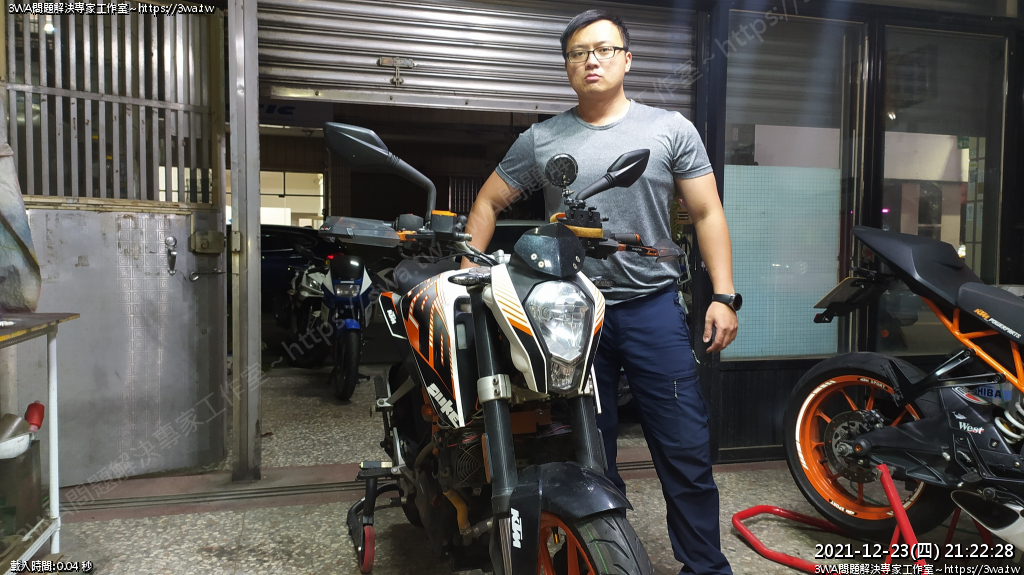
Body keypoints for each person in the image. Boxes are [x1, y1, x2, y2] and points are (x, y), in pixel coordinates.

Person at [461, 9, 740, 575]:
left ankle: (705, 567)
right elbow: (488, 202)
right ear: (566, 66)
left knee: (684, 448)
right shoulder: (542, 138)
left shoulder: (669, 129)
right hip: (568, 314)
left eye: (604, 49)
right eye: (578, 52)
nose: (591, 60)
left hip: (652, 308)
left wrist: (724, 295)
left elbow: (707, 212)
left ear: (627, 59)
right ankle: (603, 557)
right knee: (589, 451)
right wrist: (465, 276)